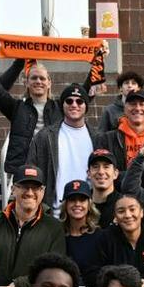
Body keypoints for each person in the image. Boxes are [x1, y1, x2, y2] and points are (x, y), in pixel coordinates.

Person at [0, 169, 67, 287]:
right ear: (13, 190)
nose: (29, 192)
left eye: (35, 188)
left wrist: (18, 286)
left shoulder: (54, 228)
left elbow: (53, 271)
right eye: (24, 187)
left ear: (42, 192)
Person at [0, 55, 61, 191]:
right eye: (34, 78)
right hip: (23, 168)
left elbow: (83, 96)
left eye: (42, 78)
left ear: (49, 83)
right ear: (26, 83)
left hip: (53, 166)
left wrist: (97, 64)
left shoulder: (61, 107)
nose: (38, 81)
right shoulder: (17, 108)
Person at [28, 82, 98, 211]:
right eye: (69, 101)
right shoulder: (45, 137)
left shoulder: (98, 137)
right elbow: (31, 173)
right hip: (53, 212)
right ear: (62, 105)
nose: (74, 105)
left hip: (88, 212)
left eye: (79, 101)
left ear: (86, 106)